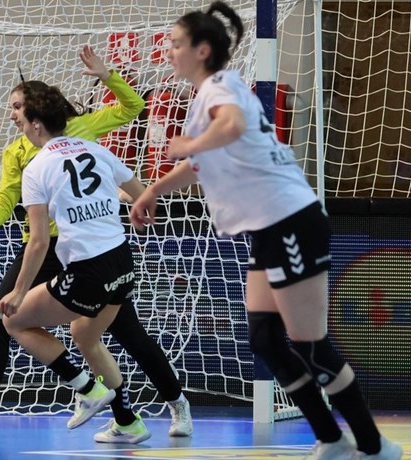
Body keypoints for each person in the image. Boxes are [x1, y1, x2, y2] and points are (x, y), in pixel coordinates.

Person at [128, 3, 402, 460]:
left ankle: (375, 446)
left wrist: (190, 143)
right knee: (265, 339)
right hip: (268, 226)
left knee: (310, 345)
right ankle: (332, 439)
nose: (169, 51)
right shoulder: (210, 94)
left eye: (176, 44)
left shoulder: (220, 88)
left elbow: (231, 127)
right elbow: (202, 162)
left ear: (203, 50)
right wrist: (153, 190)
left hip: (290, 218)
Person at [0, 45, 193, 443]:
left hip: (78, 252)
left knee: (121, 332)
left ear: (36, 117)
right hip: (80, 251)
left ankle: (170, 400)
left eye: (17, 107)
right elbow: (6, 205)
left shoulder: (75, 137)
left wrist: (108, 75)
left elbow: (133, 107)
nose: (12, 115)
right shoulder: (21, 153)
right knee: (7, 322)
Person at [0, 80, 159, 443]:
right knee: (85, 334)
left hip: (89, 270)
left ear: (37, 124)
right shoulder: (95, 149)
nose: (15, 120)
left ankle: (86, 388)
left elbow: (39, 242)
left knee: (12, 320)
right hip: (122, 262)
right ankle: (128, 423)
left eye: (20, 114)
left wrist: (19, 292)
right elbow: (144, 197)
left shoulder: (37, 168)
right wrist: (133, 211)